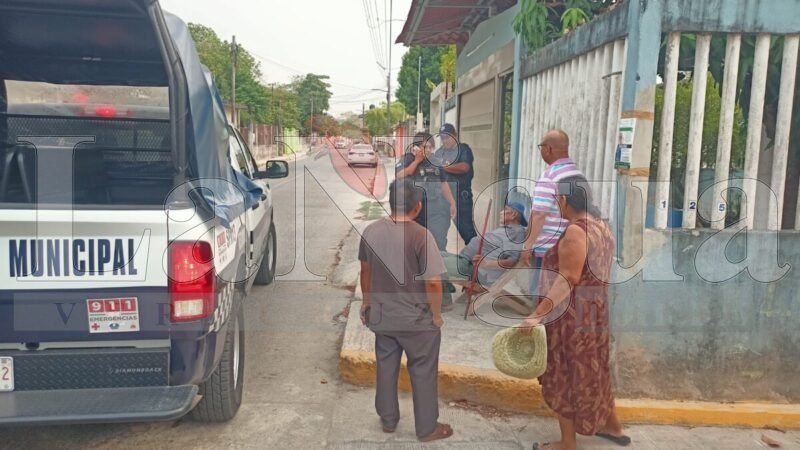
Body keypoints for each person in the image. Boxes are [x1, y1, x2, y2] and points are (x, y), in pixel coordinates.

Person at [519, 176, 629, 450]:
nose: (556, 203)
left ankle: (567, 443)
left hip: (571, 316)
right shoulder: (602, 227)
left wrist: (537, 314)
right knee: (595, 369)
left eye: (557, 198)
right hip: (595, 312)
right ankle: (614, 428)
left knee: (566, 372)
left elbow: (567, 278)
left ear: (565, 200)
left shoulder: (575, 233)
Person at [358, 178, 454, 443]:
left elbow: (365, 271)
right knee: (422, 370)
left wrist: (367, 303)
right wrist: (436, 315)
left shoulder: (371, 231)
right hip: (417, 321)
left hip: (383, 316)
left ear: (391, 202)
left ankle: (388, 419)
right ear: (418, 206)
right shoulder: (421, 236)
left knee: (386, 366)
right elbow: (433, 282)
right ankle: (426, 428)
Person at [520, 129, 584, 298]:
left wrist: (527, 246)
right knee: (559, 298)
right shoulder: (574, 173)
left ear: (548, 149)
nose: (541, 151)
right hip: (567, 245)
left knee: (543, 299)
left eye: (541, 146)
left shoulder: (549, 176)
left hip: (547, 249)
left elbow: (539, 214)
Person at [440, 202, 528, 300]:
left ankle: (445, 299)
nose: (501, 212)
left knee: (434, 262)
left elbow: (511, 261)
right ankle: (445, 287)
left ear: (513, 215)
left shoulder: (516, 232)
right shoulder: (506, 230)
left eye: (505, 209)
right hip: (465, 262)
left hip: (477, 271)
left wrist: (486, 263)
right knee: (435, 254)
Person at [395, 132, 457, 250]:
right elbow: (400, 175)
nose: (428, 150)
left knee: (438, 242)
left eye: (430, 147)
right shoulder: (407, 159)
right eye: (425, 147)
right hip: (414, 210)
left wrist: (452, 202)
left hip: (435, 209)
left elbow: (443, 183)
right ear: (416, 147)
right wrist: (417, 161)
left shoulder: (436, 161)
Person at [436, 123, 478, 246]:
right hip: (443, 198)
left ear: (455, 135)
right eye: (442, 138)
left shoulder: (464, 149)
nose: (445, 140)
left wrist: (443, 167)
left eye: (447, 137)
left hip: (461, 197)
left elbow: (464, 167)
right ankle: (440, 259)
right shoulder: (439, 152)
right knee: (439, 232)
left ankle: (475, 261)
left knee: (467, 232)